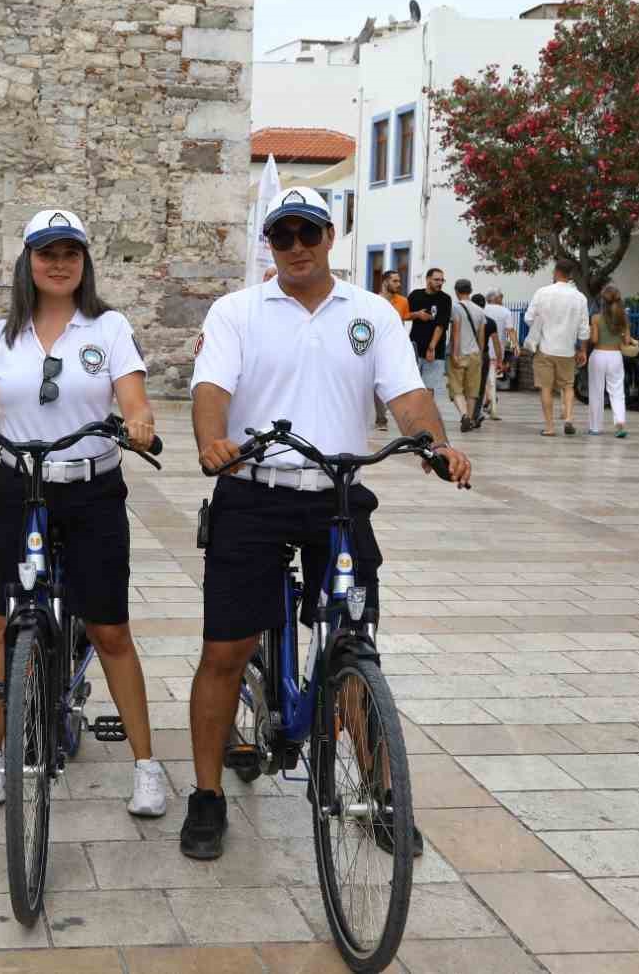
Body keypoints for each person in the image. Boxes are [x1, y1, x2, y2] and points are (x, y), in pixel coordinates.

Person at [182, 187, 473, 861]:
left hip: (336, 493)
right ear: (270, 244)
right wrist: (212, 440)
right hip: (251, 489)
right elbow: (210, 389)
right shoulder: (238, 312)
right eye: (282, 236)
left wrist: (435, 445)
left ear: (330, 235)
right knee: (225, 651)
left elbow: (407, 395)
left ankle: (376, 790)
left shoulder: (371, 313)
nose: (296, 247)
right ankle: (206, 796)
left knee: (353, 641)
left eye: (307, 233)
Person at [0, 208, 169, 818]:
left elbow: (134, 399)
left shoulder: (108, 327)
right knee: (8, 622)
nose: (59, 264)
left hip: (92, 490)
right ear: (27, 262)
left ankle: (146, 766)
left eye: (70, 253)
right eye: (47, 253)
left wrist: (138, 424)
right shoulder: (2, 334)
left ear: (84, 262)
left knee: (110, 629)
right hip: (21, 489)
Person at [523, 263, 589, 437]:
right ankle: (568, 419)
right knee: (568, 386)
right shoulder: (580, 297)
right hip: (567, 350)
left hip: (545, 348)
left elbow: (529, 318)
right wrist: (582, 350)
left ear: (556, 273)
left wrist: (542, 323)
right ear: (570, 275)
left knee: (546, 388)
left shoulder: (542, 292)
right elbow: (584, 328)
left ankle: (550, 427)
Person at [447, 279, 494, 432]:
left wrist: (454, 353)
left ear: (456, 291)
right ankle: (471, 418)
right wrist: (479, 353)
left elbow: (455, 332)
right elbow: (481, 335)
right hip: (475, 354)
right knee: (472, 390)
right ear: (471, 290)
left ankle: (464, 415)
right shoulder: (480, 311)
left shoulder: (455, 308)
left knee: (456, 388)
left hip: (459, 353)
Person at [587, 284, 631, 438]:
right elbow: (626, 341)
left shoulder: (596, 318)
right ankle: (620, 423)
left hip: (599, 355)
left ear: (602, 302)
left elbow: (594, 339)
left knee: (596, 392)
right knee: (617, 391)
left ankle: (595, 427)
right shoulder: (623, 318)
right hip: (616, 356)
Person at [373, 271, 412, 430]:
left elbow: (405, 319)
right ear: (384, 282)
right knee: (376, 383)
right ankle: (381, 418)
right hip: (375, 347)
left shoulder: (403, 301)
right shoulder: (372, 301)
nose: (399, 284)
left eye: (399, 281)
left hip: (395, 348)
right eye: (395, 281)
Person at [407, 267, 451, 397]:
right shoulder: (415, 295)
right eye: (436, 279)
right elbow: (404, 315)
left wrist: (431, 347)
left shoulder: (445, 299)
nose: (440, 283)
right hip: (415, 347)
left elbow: (441, 325)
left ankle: (426, 415)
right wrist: (417, 315)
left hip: (435, 350)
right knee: (412, 385)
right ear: (427, 279)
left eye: (442, 280)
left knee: (429, 386)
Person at [482, 290, 516, 421]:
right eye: (501, 297)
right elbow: (510, 330)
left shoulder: (482, 309)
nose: (502, 299)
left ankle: (489, 400)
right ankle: (491, 402)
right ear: (496, 298)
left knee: (485, 378)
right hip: (497, 350)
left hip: (482, 349)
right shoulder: (505, 311)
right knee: (492, 379)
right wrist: (515, 345)